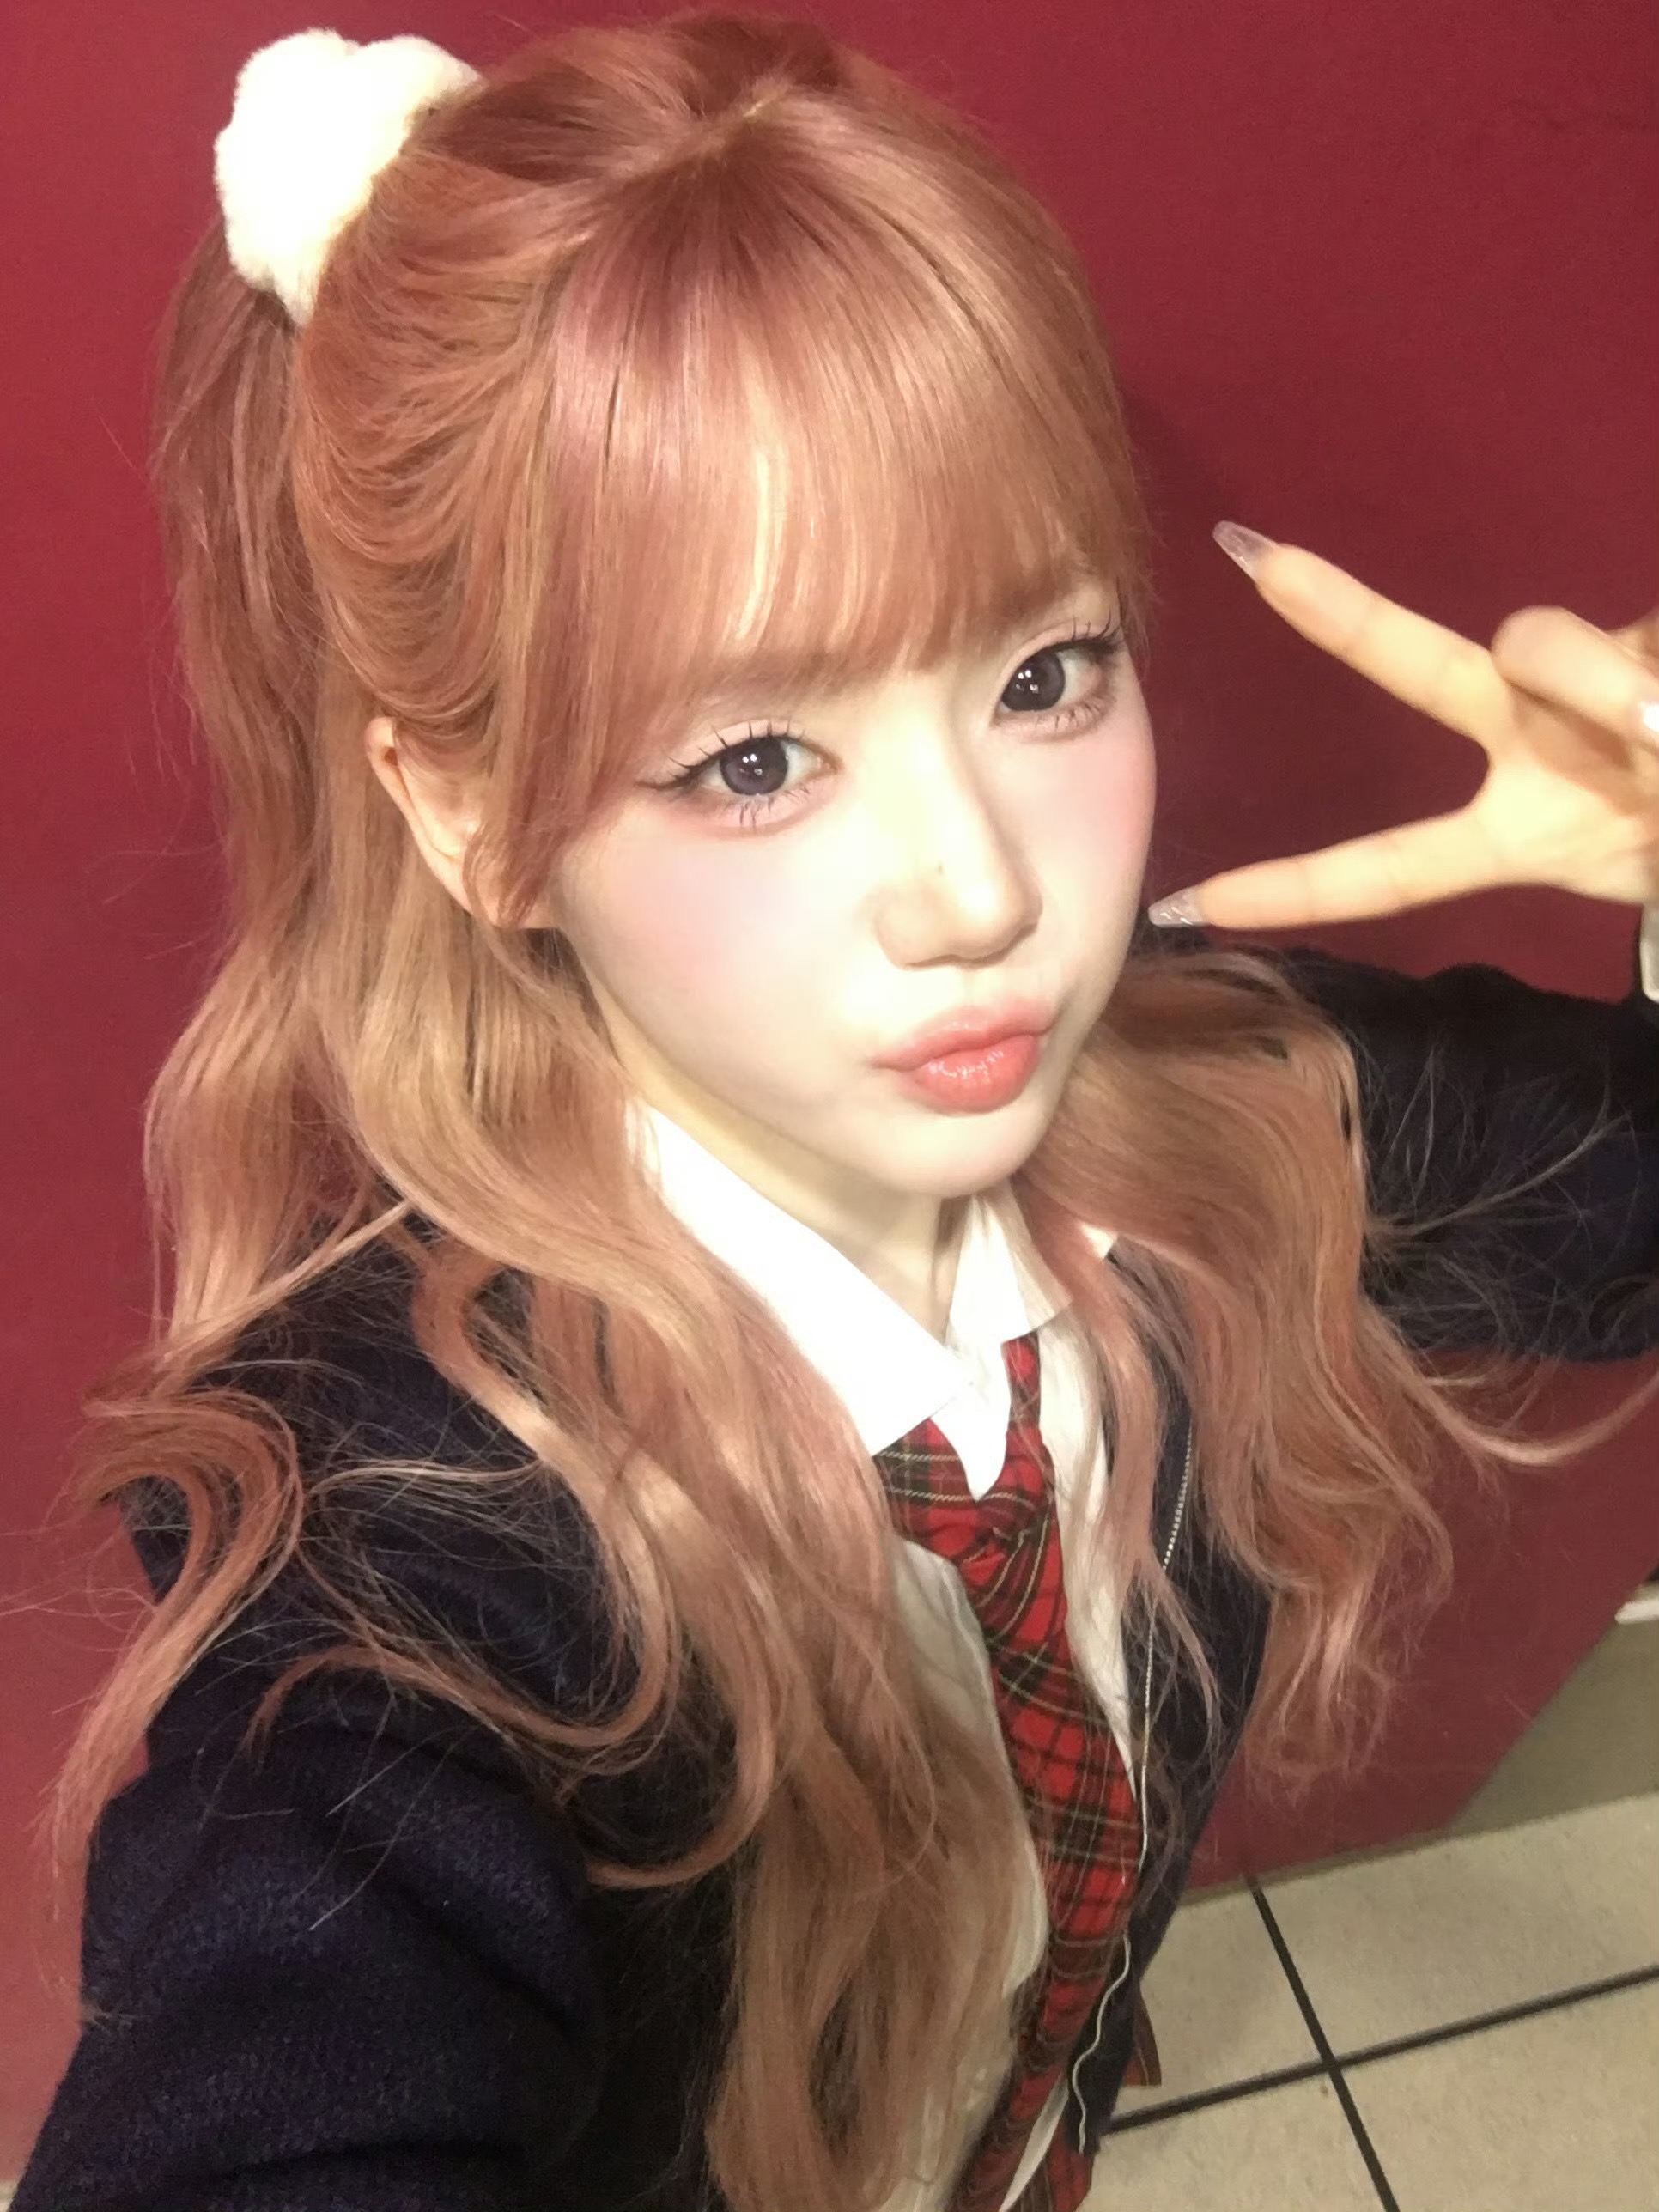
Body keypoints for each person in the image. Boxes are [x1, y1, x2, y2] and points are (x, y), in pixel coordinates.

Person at [15, 13, 1659, 2211]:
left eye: (1044, 673)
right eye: (756, 758)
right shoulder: (425, 1549)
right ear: (475, 820)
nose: (979, 893)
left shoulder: (1236, 1117)